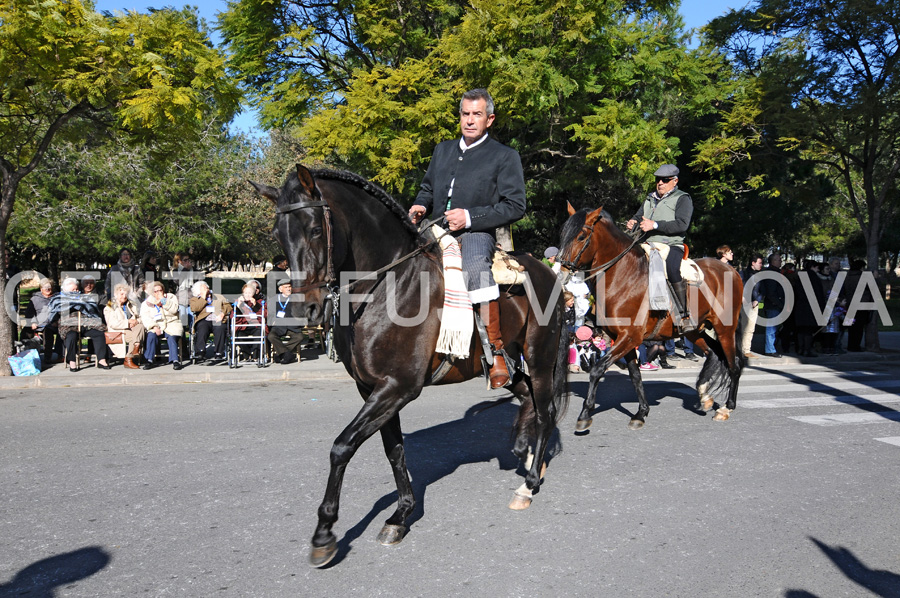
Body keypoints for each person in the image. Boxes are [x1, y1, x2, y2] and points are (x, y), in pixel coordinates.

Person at [408, 88, 526, 389]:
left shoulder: (504, 156)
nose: (470, 120)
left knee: (475, 269)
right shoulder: (442, 149)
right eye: (465, 114)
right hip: (433, 228)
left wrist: (470, 217)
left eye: (477, 114)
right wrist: (421, 204)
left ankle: (496, 352)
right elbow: (427, 188)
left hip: (475, 233)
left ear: (489, 119)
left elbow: (515, 206)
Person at [626, 164, 694, 332]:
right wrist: (632, 222)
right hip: (646, 244)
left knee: (672, 268)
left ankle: (684, 315)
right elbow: (637, 216)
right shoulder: (649, 198)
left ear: (675, 181)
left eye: (665, 180)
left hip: (671, 244)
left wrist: (655, 224)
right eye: (658, 180)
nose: (660, 183)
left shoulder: (683, 198)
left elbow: (682, 224)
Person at [51, 278, 112, 372]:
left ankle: (102, 359)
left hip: (85, 323)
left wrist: (83, 305)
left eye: (76, 289)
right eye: (72, 290)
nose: (75, 292)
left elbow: (92, 308)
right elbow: (55, 311)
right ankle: (72, 361)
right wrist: (74, 304)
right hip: (68, 324)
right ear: (65, 290)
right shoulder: (58, 298)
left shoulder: (84, 297)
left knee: (99, 333)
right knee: (71, 336)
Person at [140, 281, 184, 370]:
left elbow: (174, 310)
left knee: (172, 337)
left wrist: (163, 301)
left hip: (171, 323)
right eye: (156, 291)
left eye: (160, 290)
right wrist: (154, 326)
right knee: (151, 336)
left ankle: (175, 360)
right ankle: (149, 360)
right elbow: (145, 317)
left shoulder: (171, 297)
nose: (158, 293)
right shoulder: (147, 303)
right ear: (152, 292)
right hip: (157, 325)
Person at [104, 283, 146, 369]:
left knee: (140, 326)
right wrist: (128, 322)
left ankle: (133, 351)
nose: (124, 296)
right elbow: (112, 323)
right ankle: (132, 353)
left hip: (133, 329)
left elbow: (141, 317)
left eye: (126, 294)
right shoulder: (110, 306)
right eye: (121, 294)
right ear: (116, 295)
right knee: (135, 335)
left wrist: (135, 322)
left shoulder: (131, 304)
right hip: (120, 330)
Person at [21, 277, 62, 366]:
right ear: (41, 289)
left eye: (49, 287)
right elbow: (29, 313)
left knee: (49, 332)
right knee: (25, 332)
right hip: (38, 323)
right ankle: (25, 356)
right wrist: (32, 322)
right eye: (45, 287)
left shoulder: (57, 298)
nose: (47, 289)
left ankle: (49, 358)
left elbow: (62, 312)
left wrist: (57, 321)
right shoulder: (35, 299)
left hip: (52, 323)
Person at [189, 280, 231, 363]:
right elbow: (195, 308)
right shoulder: (194, 299)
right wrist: (203, 297)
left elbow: (228, 306)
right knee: (202, 328)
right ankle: (200, 352)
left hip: (217, 318)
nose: (207, 288)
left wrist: (222, 314)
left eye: (206, 287)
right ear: (198, 291)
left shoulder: (218, 296)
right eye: (203, 288)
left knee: (220, 328)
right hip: (204, 319)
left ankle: (219, 352)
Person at [792, 260, 826, 357]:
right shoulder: (814, 278)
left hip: (800, 306)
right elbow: (819, 294)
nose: (818, 270)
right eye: (817, 268)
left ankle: (800, 349)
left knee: (801, 329)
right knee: (809, 330)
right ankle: (807, 349)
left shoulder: (799, 277)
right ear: (813, 267)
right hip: (811, 307)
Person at [267, 279, 306, 364]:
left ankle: (281, 354)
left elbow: (301, 314)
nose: (289, 289)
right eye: (286, 287)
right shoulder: (273, 300)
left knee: (300, 337)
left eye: (290, 287)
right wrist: (272, 321)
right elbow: (270, 315)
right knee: (271, 336)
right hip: (278, 326)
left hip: (292, 326)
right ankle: (288, 354)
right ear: (280, 289)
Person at [758, 253, 786, 357]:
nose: (780, 262)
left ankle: (771, 347)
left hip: (776, 303)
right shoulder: (771, 274)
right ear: (773, 261)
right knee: (771, 328)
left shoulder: (776, 272)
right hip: (773, 304)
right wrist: (779, 303)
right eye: (778, 260)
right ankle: (769, 349)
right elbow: (771, 292)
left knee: (774, 328)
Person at [234, 282, 267, 359]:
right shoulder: (238, 302)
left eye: (250, 292)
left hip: (255, 325)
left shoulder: (260, 302)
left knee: (259, 332)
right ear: (243, 293)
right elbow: (234, 317)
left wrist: (255, 305)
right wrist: (238, 307)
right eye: (246, 292)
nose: (248, 294)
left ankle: (256, 355)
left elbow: (263, 315)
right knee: (238, 335)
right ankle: (247, 355)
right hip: (243, 326)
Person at [740, 253, 764, 356]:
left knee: (750, 328)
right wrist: (742, 298)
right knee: (741, 327)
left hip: (754, 304)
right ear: (753, 263)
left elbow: (763, 291)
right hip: (743, 303)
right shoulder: (743, 273)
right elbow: (739, 286)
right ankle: (738, 349)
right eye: (759, 263)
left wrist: (757, 300)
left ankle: (746, 350)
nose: (761, 265)